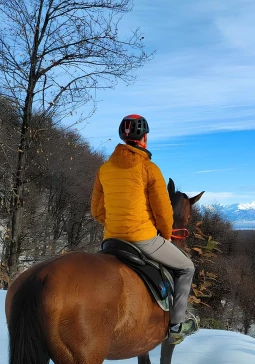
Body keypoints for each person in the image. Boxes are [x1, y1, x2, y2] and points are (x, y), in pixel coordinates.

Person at [90, 114, 196, 344]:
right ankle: (177, 326)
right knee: (187, 267)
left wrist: (115, 223)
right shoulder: (149, 168)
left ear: (122, 137)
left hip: (111, 240)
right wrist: (166, 234)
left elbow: (97, 210)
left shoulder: (104, 170)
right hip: (142, 239)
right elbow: (163, 212)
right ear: (144, 138)